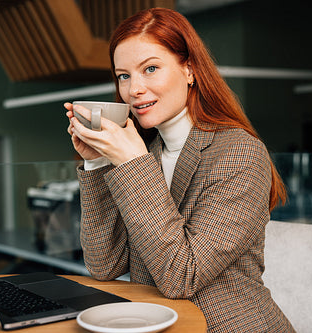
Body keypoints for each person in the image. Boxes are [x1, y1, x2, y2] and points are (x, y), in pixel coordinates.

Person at [65, 7, 295, 333]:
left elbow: (181, 277)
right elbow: (104, 265)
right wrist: (98, 160)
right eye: (124, 75)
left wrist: (132, 162)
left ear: (189, 70)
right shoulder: (148, 154)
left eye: (151, 68)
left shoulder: (239, 154)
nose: (134, 89)